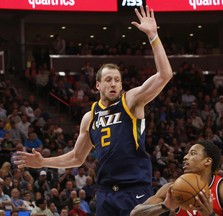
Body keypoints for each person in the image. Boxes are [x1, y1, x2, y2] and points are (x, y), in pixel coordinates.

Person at [13, 5, 173, 216]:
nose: (114, 84)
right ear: (98, 85)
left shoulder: (131, 101)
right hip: (105, 193)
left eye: (117, 80)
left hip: (135, 191)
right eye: (108, 80)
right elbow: (77, 158)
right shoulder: (90, 117)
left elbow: (165, 75)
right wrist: (44, 162)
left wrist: (153, 36)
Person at [130, 141, 223, 216]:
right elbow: (135, 213)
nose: (185, 157)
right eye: (187, 154)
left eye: (192, 153)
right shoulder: (171, 189)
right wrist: (163, 206)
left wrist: (210, 215)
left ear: (207, 161)